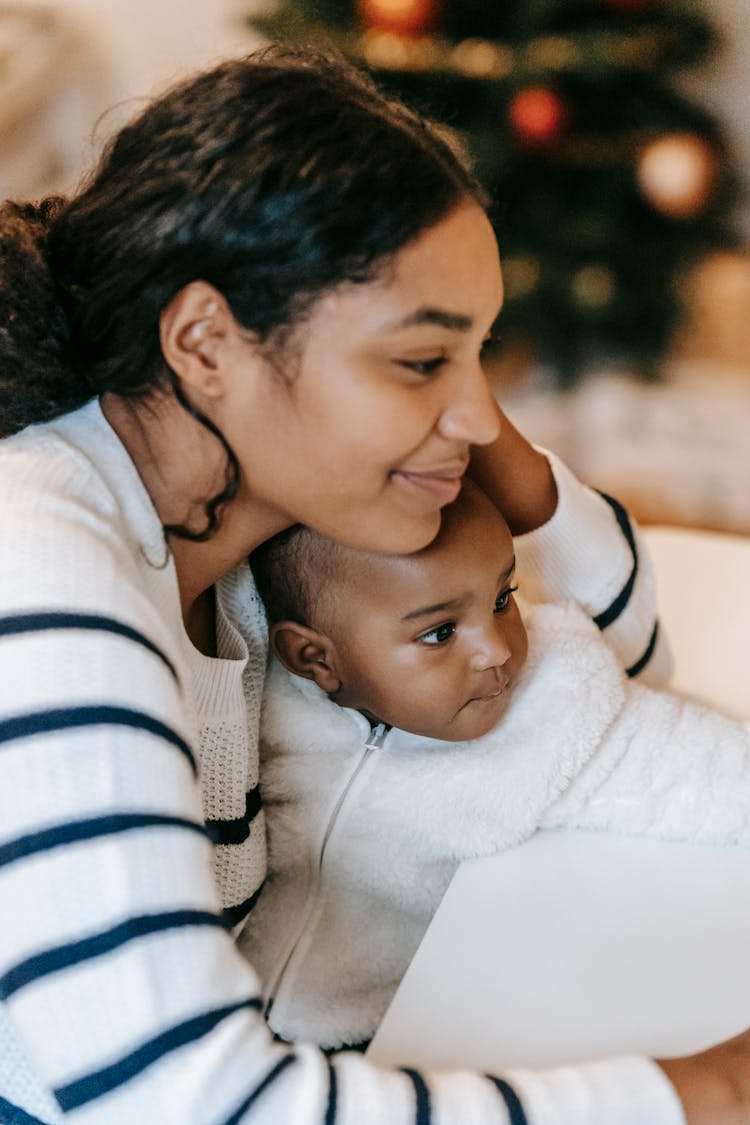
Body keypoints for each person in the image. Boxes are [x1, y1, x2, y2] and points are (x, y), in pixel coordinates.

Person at [0, 41, 748, 1125]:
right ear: (207, 342)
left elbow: (617, 652)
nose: (482, 416)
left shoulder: (247, 521)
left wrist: (488, 457)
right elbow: (185, 1106)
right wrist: (704, 1093)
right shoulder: (48, 574)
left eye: (480, 354)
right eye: (421, 359)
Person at [245, 478, 750, 1052]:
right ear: (315, 659)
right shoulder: (257, 698)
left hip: (408, 1038)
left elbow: (692, 767)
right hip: (227, 1026)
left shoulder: (548, 707)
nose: (499, 650)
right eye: (440, 633)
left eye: (503, 598)